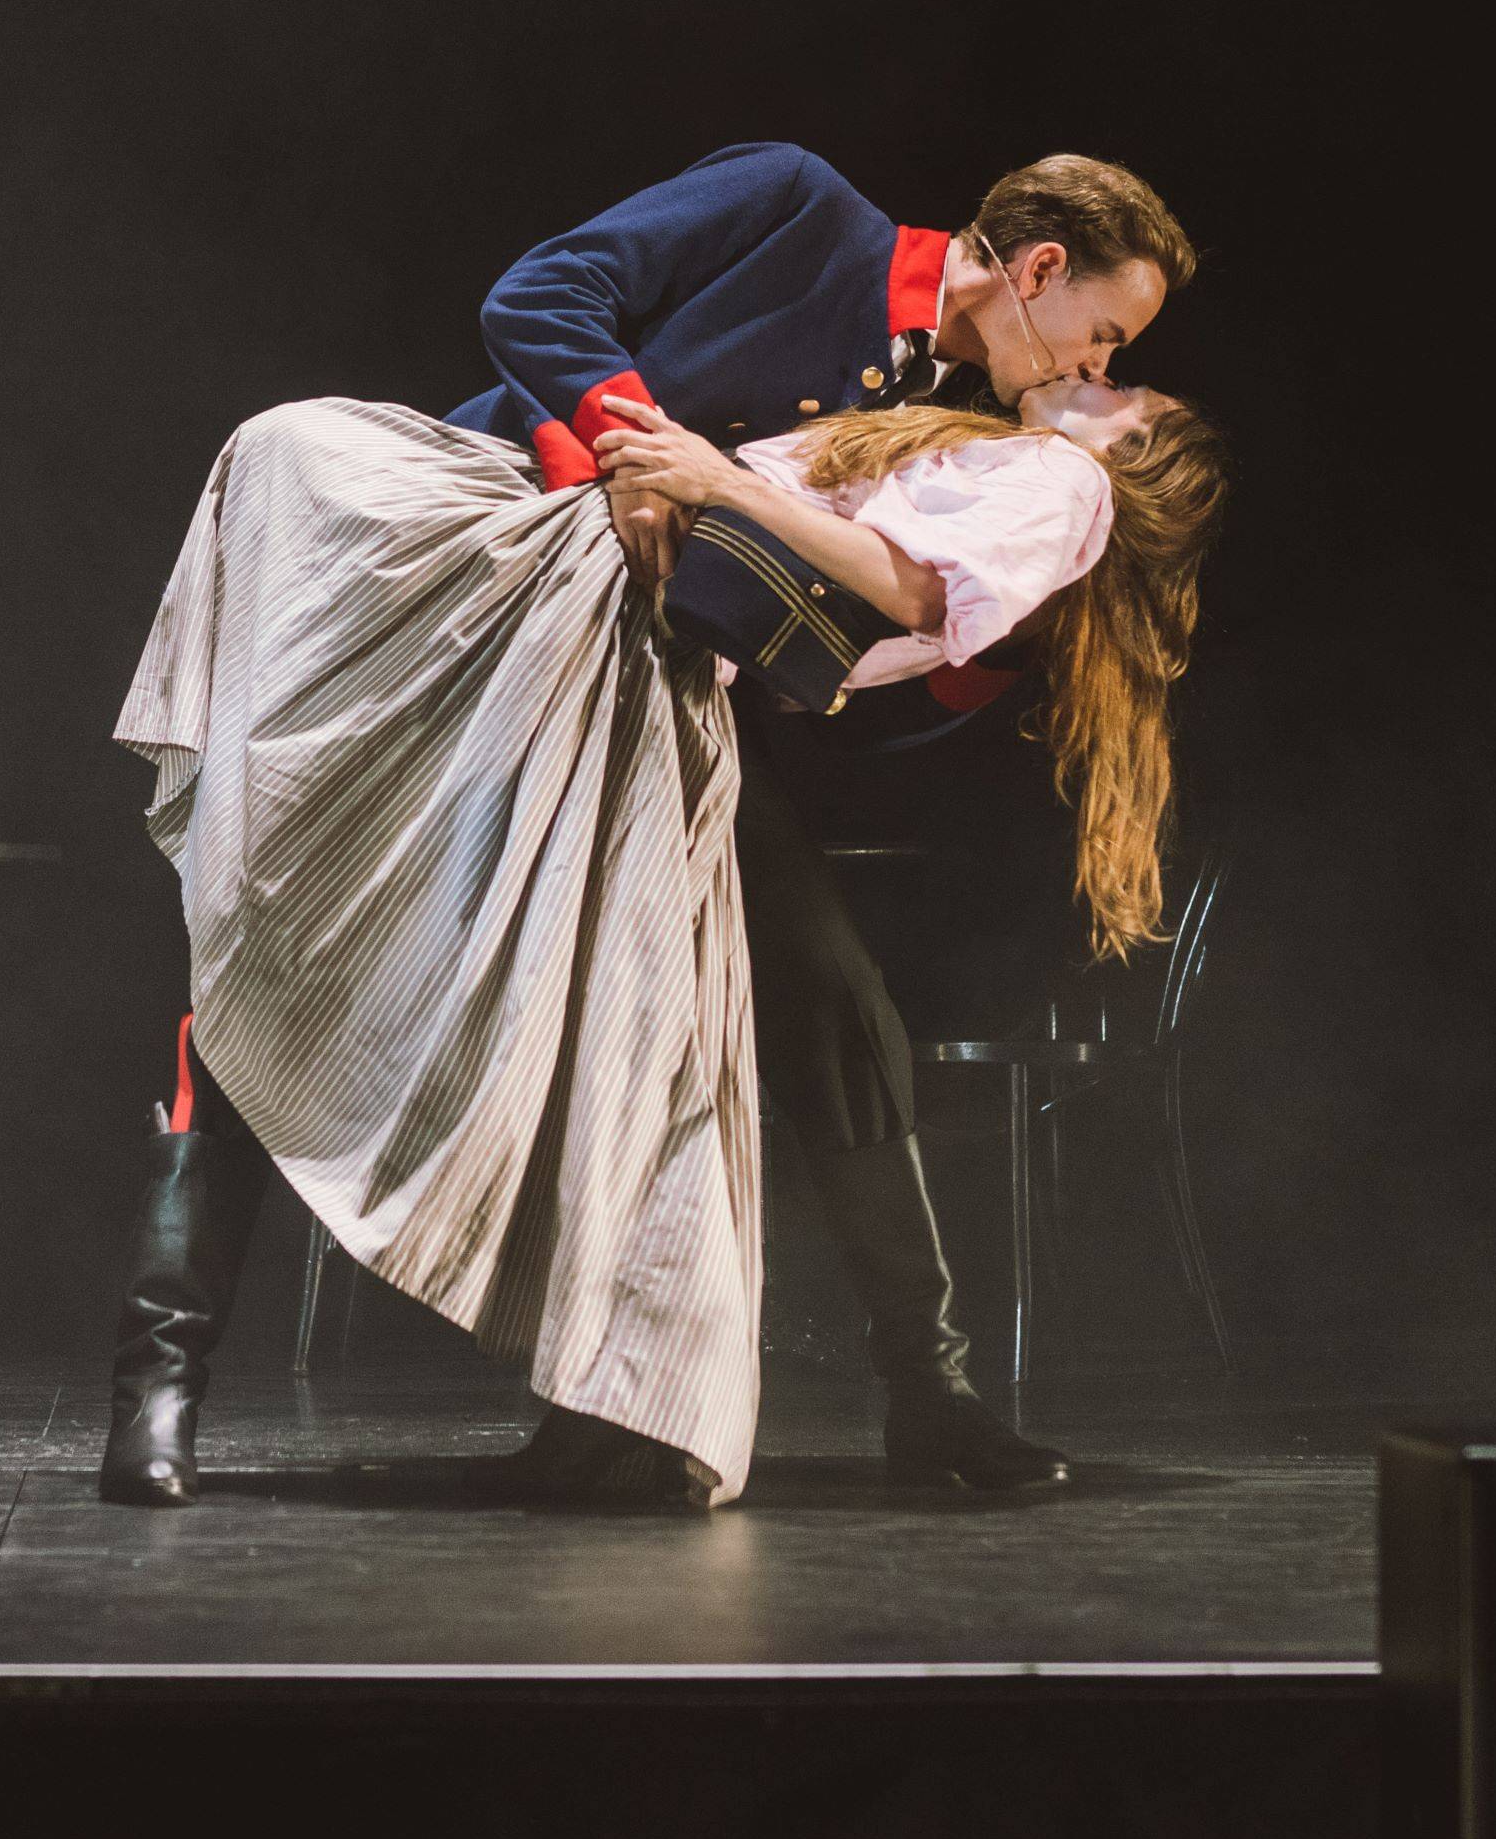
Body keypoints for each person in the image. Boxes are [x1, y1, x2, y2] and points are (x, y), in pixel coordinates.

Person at [100, 145, 1209, 1509]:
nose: (1096, 360)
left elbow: (832, 639)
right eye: (1104, 330)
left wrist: (967, 649)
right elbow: (540, 296)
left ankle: (922, 1399)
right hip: (502, 619)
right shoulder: (801, 209)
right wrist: (623, 462)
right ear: (1038, 268)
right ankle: (157, 1383)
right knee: (300, 944)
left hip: (665, 699)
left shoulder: (961, 417)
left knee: (829, 1003)